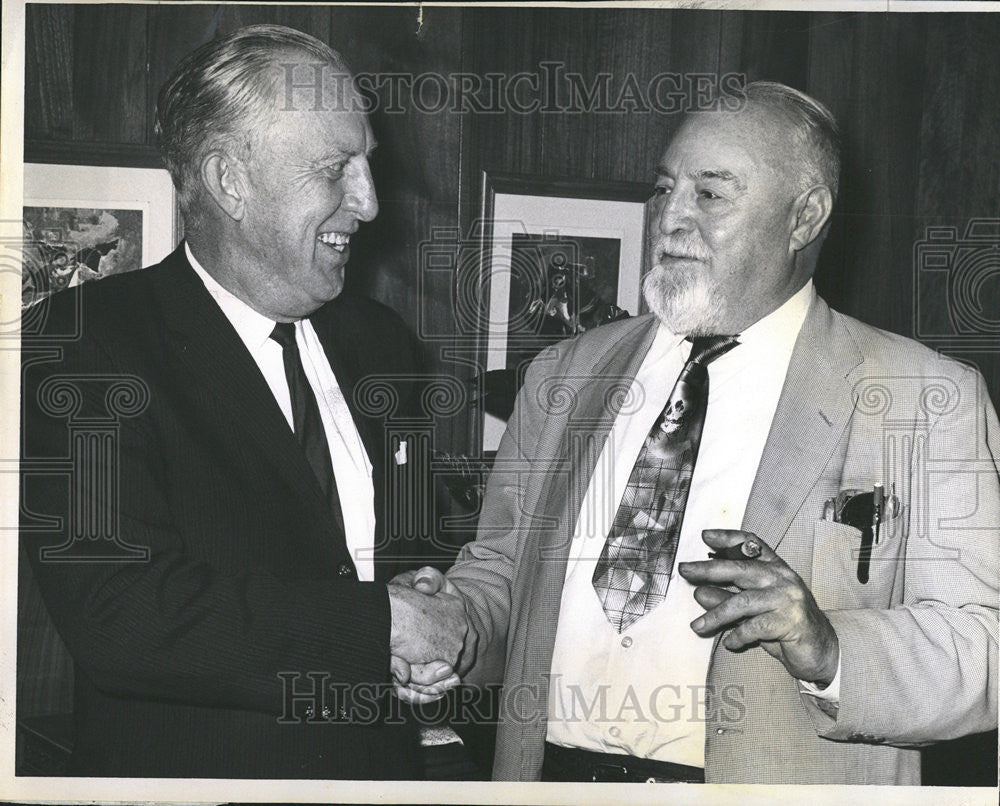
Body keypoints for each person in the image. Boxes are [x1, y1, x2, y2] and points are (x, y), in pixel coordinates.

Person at [394, 81, 1000, 784]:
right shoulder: (564, 374)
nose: (671, 219)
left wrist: (827, 645)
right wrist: (449, 626)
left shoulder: (924, 399)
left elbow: (984, 645)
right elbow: (501, 578)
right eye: (663, 190)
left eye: (710, 195)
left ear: (805, 216)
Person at [19, 24, 472, 779]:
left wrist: (426, 611)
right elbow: (120, 614)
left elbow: (402, 554)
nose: (367, 202)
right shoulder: (87, 342)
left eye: (367, 165)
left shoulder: (379, 343)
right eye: (336, 169)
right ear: (230, 181)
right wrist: (382, 627)